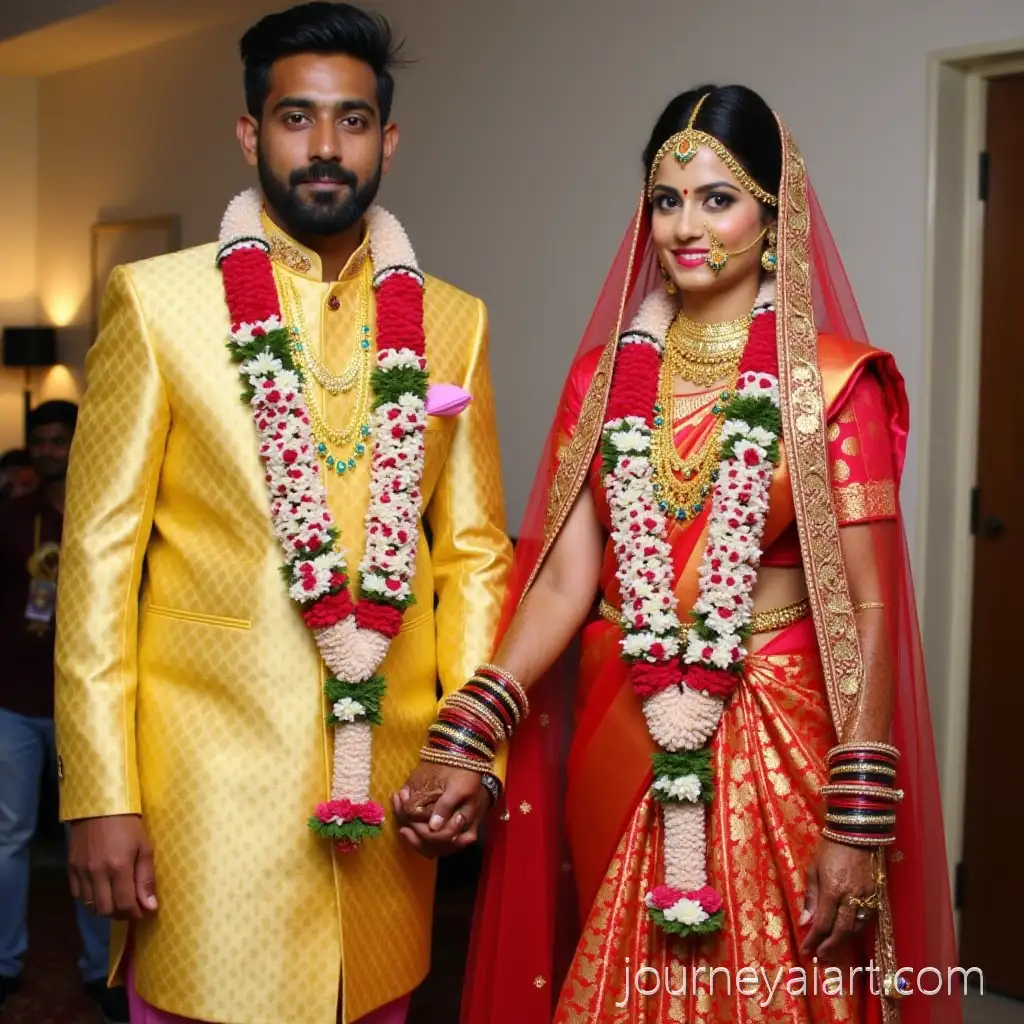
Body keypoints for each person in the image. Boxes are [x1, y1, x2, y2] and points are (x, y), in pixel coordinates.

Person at [396, 85, 961, 1023]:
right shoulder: (607, 377)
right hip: (627, 714)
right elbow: (569, 578)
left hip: (780, 736)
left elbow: (867, 605)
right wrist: (474, 721)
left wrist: (855, 814)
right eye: (666, 200)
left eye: (716, 198)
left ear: (773, 217)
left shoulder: (832, 384)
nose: (686, 227)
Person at [53, 4, 512, 1023]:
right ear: (250, 133)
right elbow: (97, 560)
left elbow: (472, 558)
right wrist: (97, 790)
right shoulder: (157, 301)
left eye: (352, 121)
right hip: (203, 801)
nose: (324, 146)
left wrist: (470, 749)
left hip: (391, 792)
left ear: (387, 140)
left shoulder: (452, 321)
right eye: (295, 117)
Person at [0, 401, 126, 1022]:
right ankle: (4, 964)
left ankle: (101, 970)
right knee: (8, 838)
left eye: (60, 440)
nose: (50, 450)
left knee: (94, 834)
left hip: (87, 707)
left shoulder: (105, 510)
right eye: (41, 442)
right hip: (14, 703)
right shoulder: (12, 517)